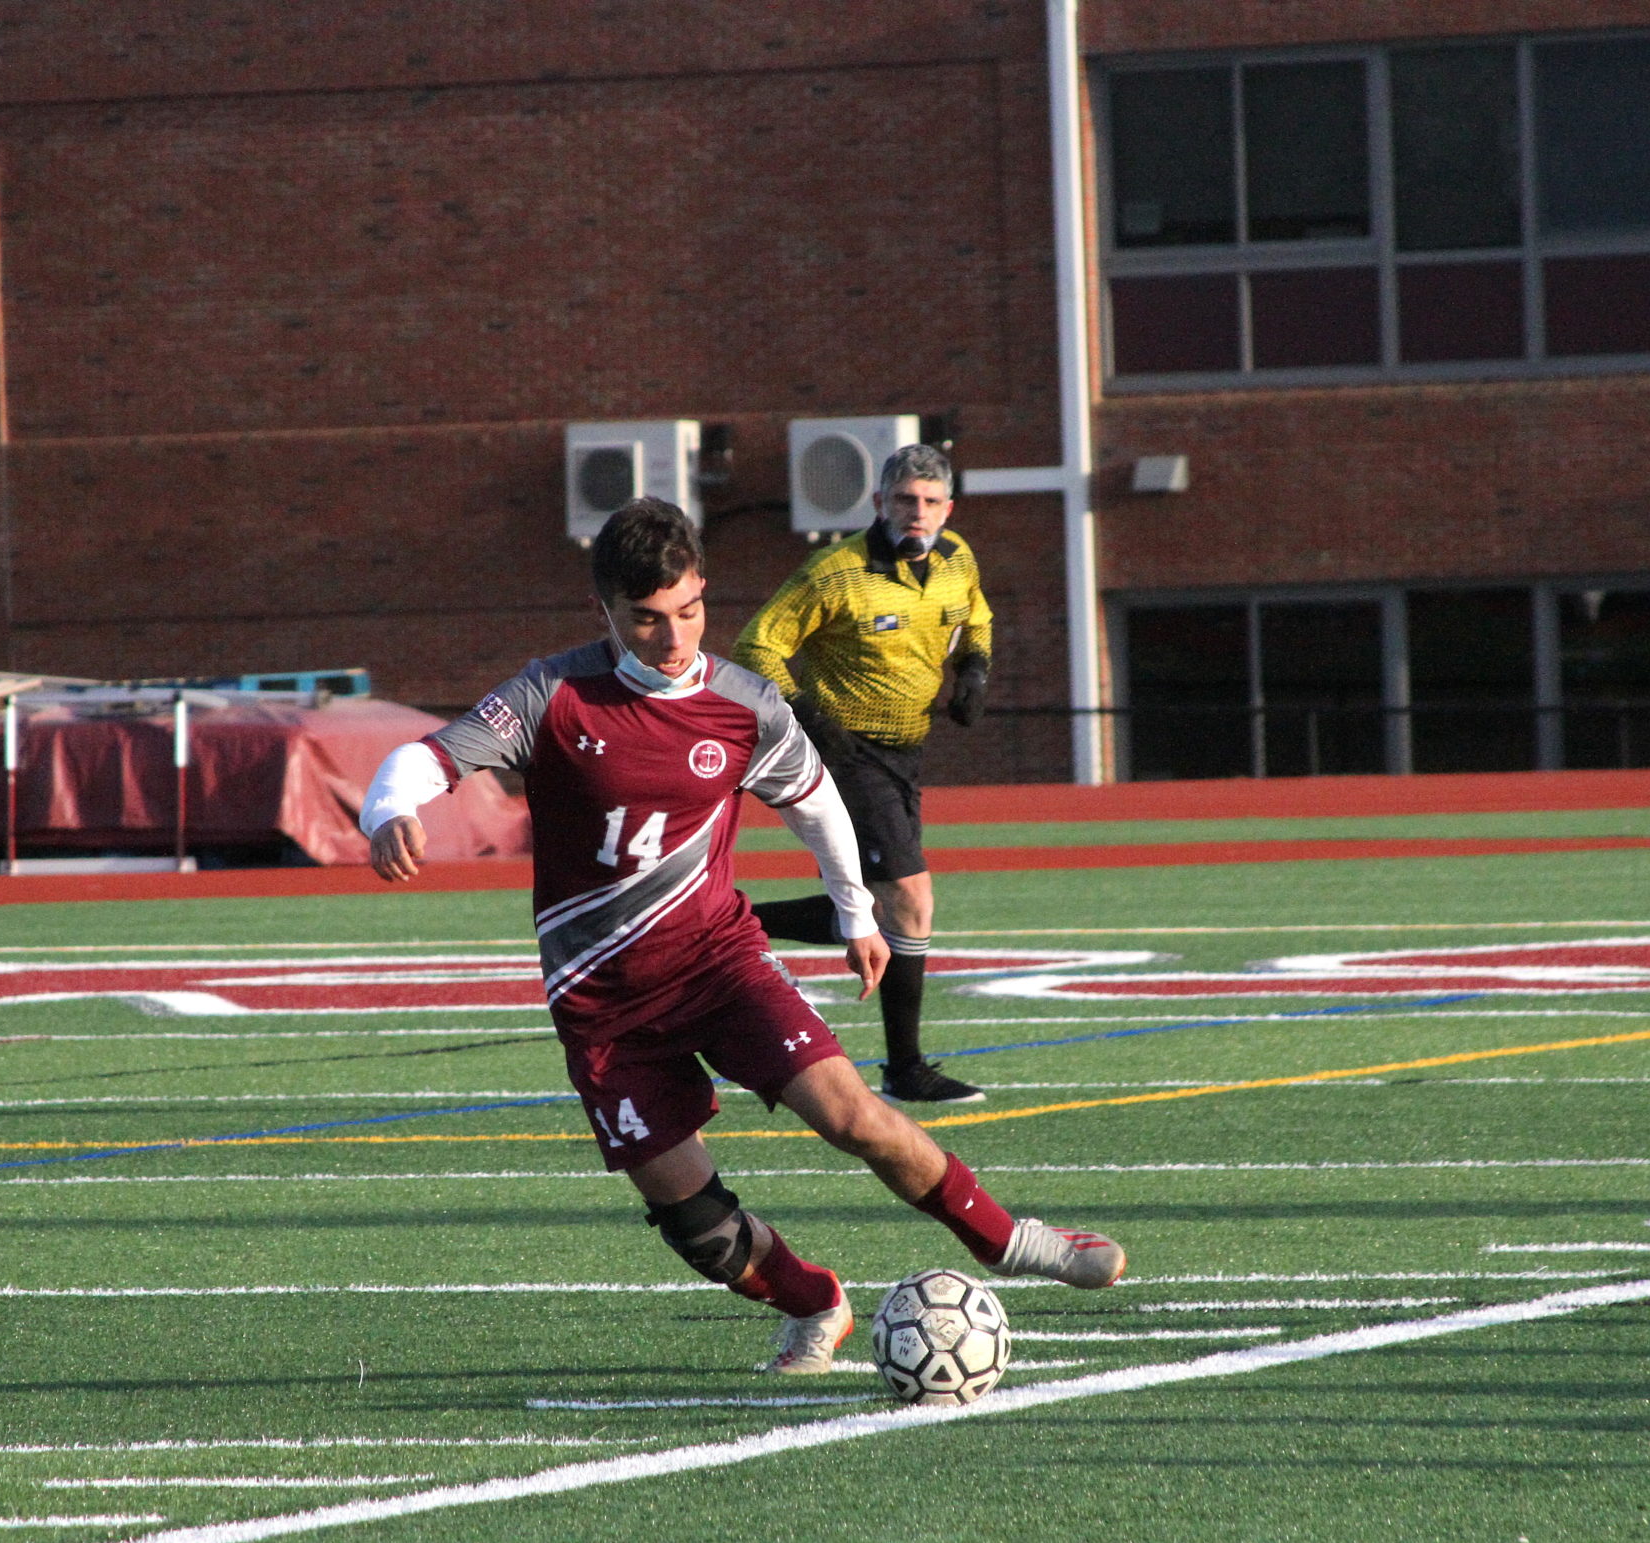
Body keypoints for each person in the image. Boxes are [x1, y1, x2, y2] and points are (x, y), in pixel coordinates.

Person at [362, 497, 1121, 1375]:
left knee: (856, 1117)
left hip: (718, 964)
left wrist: (855, 913)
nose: (673, 636)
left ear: (703, 592)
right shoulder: (553, 694)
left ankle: (1011, 1240)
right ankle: (817, 1301)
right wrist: (390, 810)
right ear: (604, 612)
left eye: (688, 611)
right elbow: (428, 756)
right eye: (646, 618)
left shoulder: (743, 704)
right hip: (602, 1008)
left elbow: (814, 801)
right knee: (699, 1229)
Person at [731, 443, 991, 1105]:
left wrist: (975, 668)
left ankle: (720, 925)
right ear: (879, 501)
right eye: (906, 499)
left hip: (905, 753)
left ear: (948, 509)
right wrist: (810, 712)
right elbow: (757, 643)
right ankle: (905, 1068)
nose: (918, 512)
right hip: (843, 753)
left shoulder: (956, 557)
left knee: (880, 907)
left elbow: (975, 614)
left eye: (931, 502)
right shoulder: (836, 571)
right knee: (910, 895)